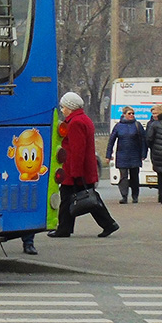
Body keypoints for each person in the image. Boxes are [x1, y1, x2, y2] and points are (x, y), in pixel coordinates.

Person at [48, 91, 119, 238]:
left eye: (63, 107)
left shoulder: (75, 123)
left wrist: (75, 172)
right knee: (88, 198)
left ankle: (65, 229)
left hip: (76, 169)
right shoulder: (83, 119)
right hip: (83, 169)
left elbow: (77, 150)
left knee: (73, 198)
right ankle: (107, 224)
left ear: (70, 107)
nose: (62, 110)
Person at [105, 105, 147, 204]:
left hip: (135, 154)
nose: (131, 115)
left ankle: (135, 196)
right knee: (123, 177)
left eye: (133, 113)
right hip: (122, 155)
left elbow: (143, 140)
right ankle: (124, 196)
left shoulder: (137, 125)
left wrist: (143, 153)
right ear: (124, 115)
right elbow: (111, 141)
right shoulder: (119, 126)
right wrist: (108, 155)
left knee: (134, 177)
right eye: (129, 114)